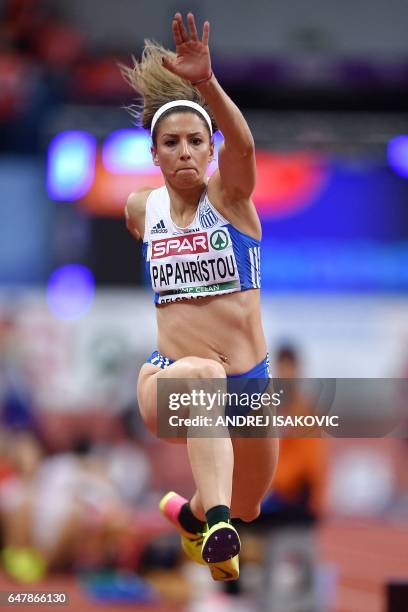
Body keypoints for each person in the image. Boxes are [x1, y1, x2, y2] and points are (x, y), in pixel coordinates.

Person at [122, 12, 279, 582]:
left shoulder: (233, 198)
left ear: (209, 151)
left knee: (252, 502)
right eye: (172, 143)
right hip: (170, 376)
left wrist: (208, 83)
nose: (185, 151)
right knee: (200, 376)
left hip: (250, 382)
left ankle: (192, 517)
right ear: (155, 154)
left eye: (195, 141)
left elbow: (244, 143)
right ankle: (215, 527)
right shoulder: (141, 209)